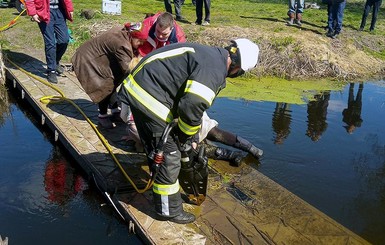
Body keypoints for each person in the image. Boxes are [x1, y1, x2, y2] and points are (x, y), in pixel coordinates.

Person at [118, 38, 260, 224]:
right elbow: (192, 105)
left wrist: (190, 135)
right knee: (170, 156)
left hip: (141, 89)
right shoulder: (214, 71)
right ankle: (168, 211)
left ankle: (158, 175)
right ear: (237, 66)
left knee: (158, 149)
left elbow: (186, 99)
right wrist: (186, 137)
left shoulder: (212, 55)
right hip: (150, 98)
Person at [71, 22, 149, 129]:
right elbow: (128, 68)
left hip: (98, 56)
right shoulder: (122, 44)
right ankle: (102, 115)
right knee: (105, 84)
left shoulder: (126, 32)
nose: (141, 44)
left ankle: (115, 110)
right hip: (87, 58)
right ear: (133, 36)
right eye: (139, 41)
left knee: (116, 78)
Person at [25, 0, 74, 84]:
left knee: (64, 40)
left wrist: (70, 8)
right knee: (50, 43)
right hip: (44, 12)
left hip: (59, 11)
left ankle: (55, 61)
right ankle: (51, 70)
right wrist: (33, 13)